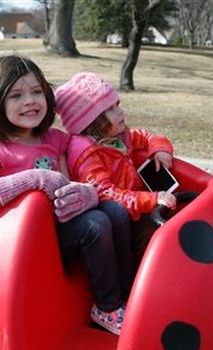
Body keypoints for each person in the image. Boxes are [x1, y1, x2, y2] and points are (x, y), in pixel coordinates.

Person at [0, 55, 132, 335]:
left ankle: (128, 291)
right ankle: (107, 307)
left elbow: (67, 185)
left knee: (114, 211)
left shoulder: (54, 140)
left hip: (61, 228)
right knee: (95, 225)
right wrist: (34, 178)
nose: (30, 101)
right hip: (27, 244)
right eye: (16, 95)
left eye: (36, 91)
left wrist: (87, 194)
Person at [54, 72, 176, 268]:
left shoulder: (119, 137)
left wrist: (160, 149)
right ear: (91, 122)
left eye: (117, 104)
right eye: (110, 109)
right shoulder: (87, 154)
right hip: (114, 219)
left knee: (170, 226)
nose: (120, 112)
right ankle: (142, 287)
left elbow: (147, 137)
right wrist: (151, 199)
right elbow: (106, 194)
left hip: (135, 208)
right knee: (153, 238)